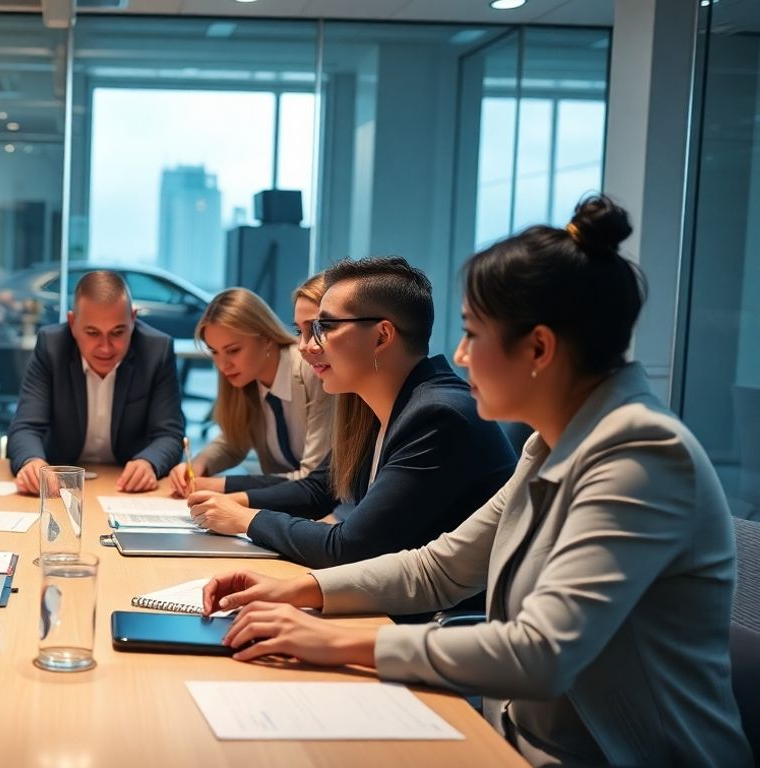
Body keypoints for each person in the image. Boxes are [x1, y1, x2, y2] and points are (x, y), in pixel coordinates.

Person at [202, 197, 753, 767]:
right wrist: (298, 591)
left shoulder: (641, 457)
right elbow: (439, 567)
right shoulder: (549, 444)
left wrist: (333, 639)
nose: (460, 355)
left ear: (539, 348)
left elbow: (541, 653)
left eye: (473, 334)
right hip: (517, 738)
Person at [187, 257, 515, 570]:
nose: (306, 346)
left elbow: (352, 547)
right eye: (305, 330)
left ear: (382, 336)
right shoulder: (375, 403)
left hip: (437, 620)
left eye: (324, 327)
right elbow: (319, 489)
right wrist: (232, 504)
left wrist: (246, 519)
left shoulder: (438, 416)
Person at [7, 270, 185, 494]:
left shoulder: (156, 351)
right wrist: (31, 462)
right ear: (72, 323)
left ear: (133, 318)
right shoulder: (52, 347)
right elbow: (25, 426)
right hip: (61, 486)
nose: (105, 347)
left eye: (118, 332)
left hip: (126, 488)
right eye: (92, 332)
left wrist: (149, 462)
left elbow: (170, 435)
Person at [169, 280, 334, 498]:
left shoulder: (312, 369)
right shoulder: (247, 379)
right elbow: (234, 441)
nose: (222, 364)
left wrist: (220, 486)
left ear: (266, 338)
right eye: (215, 352)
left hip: (329, 509)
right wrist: (198, 465)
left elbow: (312, 480)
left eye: (233, 350)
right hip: (289, 509)